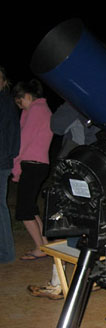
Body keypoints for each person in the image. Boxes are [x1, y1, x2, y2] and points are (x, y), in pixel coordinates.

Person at [27, 101, 101, 299]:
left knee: (64, 223)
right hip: (94, 163)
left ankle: (58, 284)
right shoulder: (98, 100)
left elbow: (56, 125)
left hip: (75, 164)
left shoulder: (75, 101)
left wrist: (69, 104)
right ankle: (91, 275)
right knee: (86, 222)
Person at [11, 79, 53, 260]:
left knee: (24, 210)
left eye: (20, 102)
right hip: (36, 164)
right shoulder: (37, 110)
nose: (20, 107)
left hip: (33, 164)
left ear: (27, 96)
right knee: (30, 208)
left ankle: (40, 247)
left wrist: (15, 165)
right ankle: (44, 244)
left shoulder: (37, 110)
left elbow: (24, 140)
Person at [0, 66, 20, 263]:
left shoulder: (6, 102)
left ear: (4, 81)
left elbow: (13, 133)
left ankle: (6, 253)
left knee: (0, 207)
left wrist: (10, 158)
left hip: (1, 162)